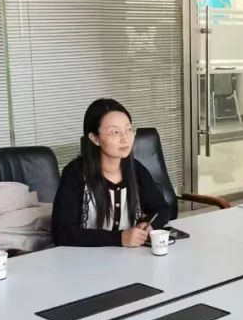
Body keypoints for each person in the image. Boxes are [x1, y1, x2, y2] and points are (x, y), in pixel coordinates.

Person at [51, 98, 170, 248]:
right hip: (84, 259)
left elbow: (162, 209)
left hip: (129, 257)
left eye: (128, 129)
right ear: (94, 138)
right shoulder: (75, 174)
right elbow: (62, 233)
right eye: (115, 132)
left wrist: (148, 225)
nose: (125, 139)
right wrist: (119, 238)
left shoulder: (136, 169)